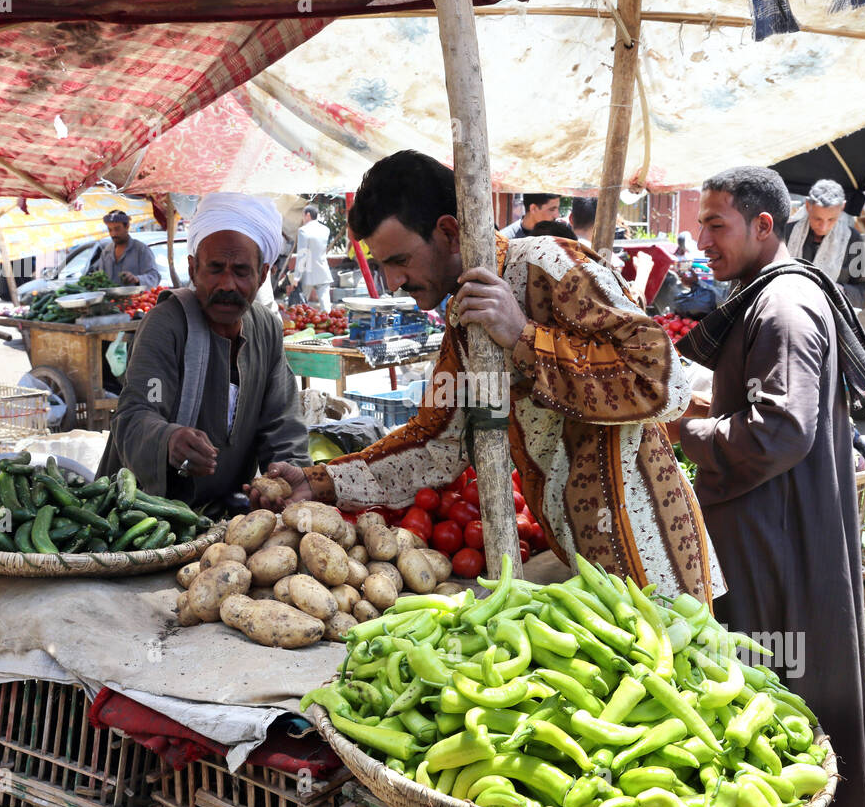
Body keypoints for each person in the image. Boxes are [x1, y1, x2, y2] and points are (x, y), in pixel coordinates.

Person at [255, 150, 723, 602]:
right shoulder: (463, 322)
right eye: (382, 266)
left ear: (448, 230)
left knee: (682, 678)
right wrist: (320, 482)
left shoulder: (548, 264)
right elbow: (436, 444)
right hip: (583, 568)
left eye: (399, 261)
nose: (392, 281)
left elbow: (665, 384)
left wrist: (522, 336)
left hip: (652, 562)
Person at [673, 165, 865, 807]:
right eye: (699, 222)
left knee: (782, 710)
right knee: (784, 709)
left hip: (777, 546)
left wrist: (688, 429)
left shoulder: (784, 307)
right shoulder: (768, 296)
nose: (701, 239)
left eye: (715, 224)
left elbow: (780, 430)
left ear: (764, 225)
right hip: (779, 532)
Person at [97, 193, 308, 510]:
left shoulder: (265, 329)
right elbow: (139, 411)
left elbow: (281, 422)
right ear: (193, 269)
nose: (227, 284)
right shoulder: (166, 325)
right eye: (215, 268)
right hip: (144, 517)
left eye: (240, 270)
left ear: (262, 274)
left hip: (221, 519)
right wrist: (167, 439)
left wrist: (289, 474)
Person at [784, 179, 865, 309]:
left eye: (831, 219)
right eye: (818, 219)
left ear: (842, 207)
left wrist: (839, 291)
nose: (823, 227)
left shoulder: (851, 239)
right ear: (808, 206)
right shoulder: (787, 233)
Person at [96, 210, 161, 289]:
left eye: (117, 229)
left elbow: (154, 277)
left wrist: (137, 279)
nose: (113, 234)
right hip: (111, 300)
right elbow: (101, 280)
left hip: (137, 300)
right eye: (110, 230)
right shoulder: (106, 252)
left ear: (127, 226)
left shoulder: (141, 250)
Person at [288, 204, 334, 312]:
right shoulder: (325, 229)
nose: (302, 219)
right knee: (326, 305)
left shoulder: (303, 230)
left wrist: (296, 277)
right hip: (323, 270)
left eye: (303, 216)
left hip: (307, 272)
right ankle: (329, 325)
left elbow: (303, 254)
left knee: (302, 306)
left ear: (308, 215)